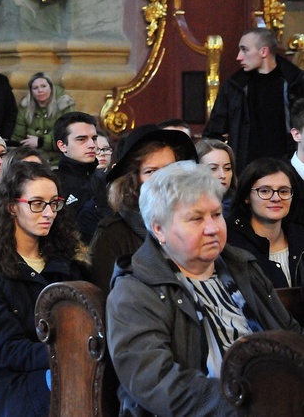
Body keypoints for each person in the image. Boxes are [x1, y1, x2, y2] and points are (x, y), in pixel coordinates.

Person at [106, 161, 301, 416]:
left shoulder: (242, 266)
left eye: (217, 214)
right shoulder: (136, 290)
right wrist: (249, 405)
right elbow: (159, 385)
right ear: (158, 229)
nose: (212, 228)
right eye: (196, 218)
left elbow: (291, 335)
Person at [0, 161, 89, 417]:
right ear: (11, 206)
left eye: (54, 203)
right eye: (37, 204)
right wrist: (68, 354)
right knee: (77, 384)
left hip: (67, 363)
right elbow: (6, 349)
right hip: (11, 378)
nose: (48, 213)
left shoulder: (64, 257)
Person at [89, 124, 197, 291]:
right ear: (133, 179)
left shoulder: (197, 222)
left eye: (169, 169)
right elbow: (107, 302)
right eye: (151, 172)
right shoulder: (111, 234)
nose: (162, 179)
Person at [205, 27, 304, 169]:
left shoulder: (296, 83)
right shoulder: (235, 86)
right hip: (245, 171)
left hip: (289, 170)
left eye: (244, 50)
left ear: (264, 51)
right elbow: (213, 133)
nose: (239, 57)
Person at [227, 158, 304, 288]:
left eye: (284, 191)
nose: (276, 198)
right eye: (265, 191)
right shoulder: (230, 244)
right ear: (246, 197)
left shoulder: (301, 236)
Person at [11, 72, 74, 166]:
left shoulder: (63, 106)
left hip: (59, 162)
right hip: (33, 161)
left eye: (43, 86)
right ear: (31, 91)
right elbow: (18, 136)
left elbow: (67, 136)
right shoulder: (25, 108)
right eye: (35, 88)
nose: (40, 90)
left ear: (51, 88)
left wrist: (40, 142)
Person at [53, 112, 100, 217]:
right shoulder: (54, 184)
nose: (92, 145)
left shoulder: (104, 180)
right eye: (81, 139)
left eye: (94, 138)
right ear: (62, 146)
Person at [195, 138, 237, 217]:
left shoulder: (241, 207)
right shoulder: (185, 208)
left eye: (227, 168)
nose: (223, 175)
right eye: (213, 169)